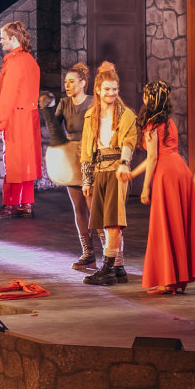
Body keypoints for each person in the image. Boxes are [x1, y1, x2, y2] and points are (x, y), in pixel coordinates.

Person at [118, 82, 195, 295]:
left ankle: (168, 281)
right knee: (178, 223)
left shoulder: (151, 124)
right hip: (181, 171)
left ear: (150, 99)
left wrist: (145, 187)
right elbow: (157, 155)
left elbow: (153, 157)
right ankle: (177, 279)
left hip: (167, 175)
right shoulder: (168, 122)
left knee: (165, 225)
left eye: (146, 95)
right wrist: (132, 174)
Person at [78, 63, 137, 286]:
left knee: (113, 222)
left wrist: (124, 163)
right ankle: (119, 268)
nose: (111, 93)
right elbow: (86, 151)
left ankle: (108, 270)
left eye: (114, 89)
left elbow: (129, 142)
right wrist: (87, 179)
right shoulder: (91, 116)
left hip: (116, 172)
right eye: (107, 89)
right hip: (99, 172)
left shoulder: (126, 115)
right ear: (98, 90)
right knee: (104, 223)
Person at [41, 62, 97, 271]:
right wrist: (47, 109)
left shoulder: (93, 102)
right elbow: (56, 132)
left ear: (83, 83)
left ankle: (111, 256)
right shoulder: (64, 103)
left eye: (72, 82)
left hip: (91, 156)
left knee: (94, 209)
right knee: (79, 209)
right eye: (66, 82)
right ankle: (88, 253)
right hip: (73, 158)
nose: (67, 85)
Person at [0, 21, 41, 219]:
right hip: (29, 116)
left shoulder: (14, 61)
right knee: (27, 162)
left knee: (13, 163)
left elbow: (8, 96)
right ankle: (27, 204)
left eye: (3, 38)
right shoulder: (30, 60)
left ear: (13, 38)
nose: (1, 41)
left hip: (17, 119)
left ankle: (10, 205)